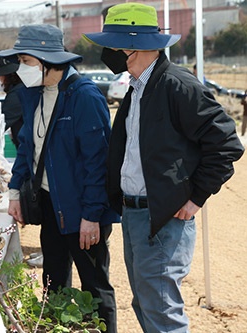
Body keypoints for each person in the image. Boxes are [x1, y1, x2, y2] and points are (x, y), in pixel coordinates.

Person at [83, 3, 244, 332]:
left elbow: (226, 144)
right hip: (135, 215)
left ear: (131, 47)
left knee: (160, 311)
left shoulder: (177, 86)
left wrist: (195, 197)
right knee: (145, 303)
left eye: (110, 46)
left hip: (163, 219)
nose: (106, 53)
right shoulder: (139, 88)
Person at [3, 24, 120, 332]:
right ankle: (55, 326)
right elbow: (27, 145)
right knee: (53, 280)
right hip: (48, 200)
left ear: (47, 61)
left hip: (82, 207)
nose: (21, 69)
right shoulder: (33, 94)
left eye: (26, 62)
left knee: (94, 285)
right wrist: (15, 190)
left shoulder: (84, 97)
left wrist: (92, 215)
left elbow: (98, 163)